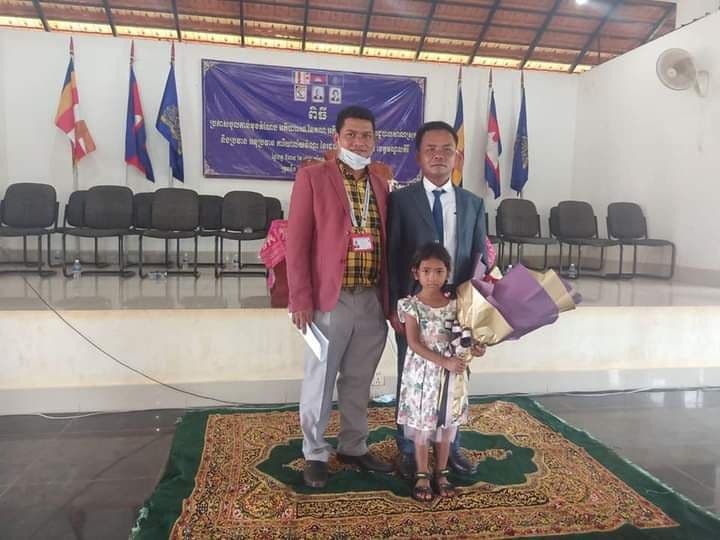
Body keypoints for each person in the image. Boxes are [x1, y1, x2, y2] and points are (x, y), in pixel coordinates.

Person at [287, 105, 394, 489]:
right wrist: (300, 298)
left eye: (366, 136)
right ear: (336, 138)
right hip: (328, 300)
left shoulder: (381, 185)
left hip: (370, 298)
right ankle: (315, 452)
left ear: (375, 141)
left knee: (359, 380)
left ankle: (353, 445)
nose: (359, 142)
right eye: (351, 135)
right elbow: (296, 242)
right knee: (320, 380)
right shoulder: (313, 177)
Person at [388, 121, 488, 480]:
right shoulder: (400, 200)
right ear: (418, 156)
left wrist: (478, 313)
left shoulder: (473, 203)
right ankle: (408, 449)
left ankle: (451, 447)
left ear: (457, 156)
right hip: (416, 309)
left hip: (456, 310)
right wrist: (393, 306)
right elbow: (392, 256)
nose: (439, 155)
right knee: (412, 377)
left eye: (447, 149)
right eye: (430, 149)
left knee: (454, 376)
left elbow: (480, 258)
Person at [396, 243, 486, 502]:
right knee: (423, 425)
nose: (432, 277)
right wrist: (443, 361)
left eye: (439, 271)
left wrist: (476, 348)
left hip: (450, 377)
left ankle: (442, 472)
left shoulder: (457, 306)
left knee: (446, 423)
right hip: (423, 376)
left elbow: (465, 339)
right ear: (416, 273)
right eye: (426, 271)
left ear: (448, 272)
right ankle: (422, 474)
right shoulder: (411, 306)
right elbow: (414, 343)